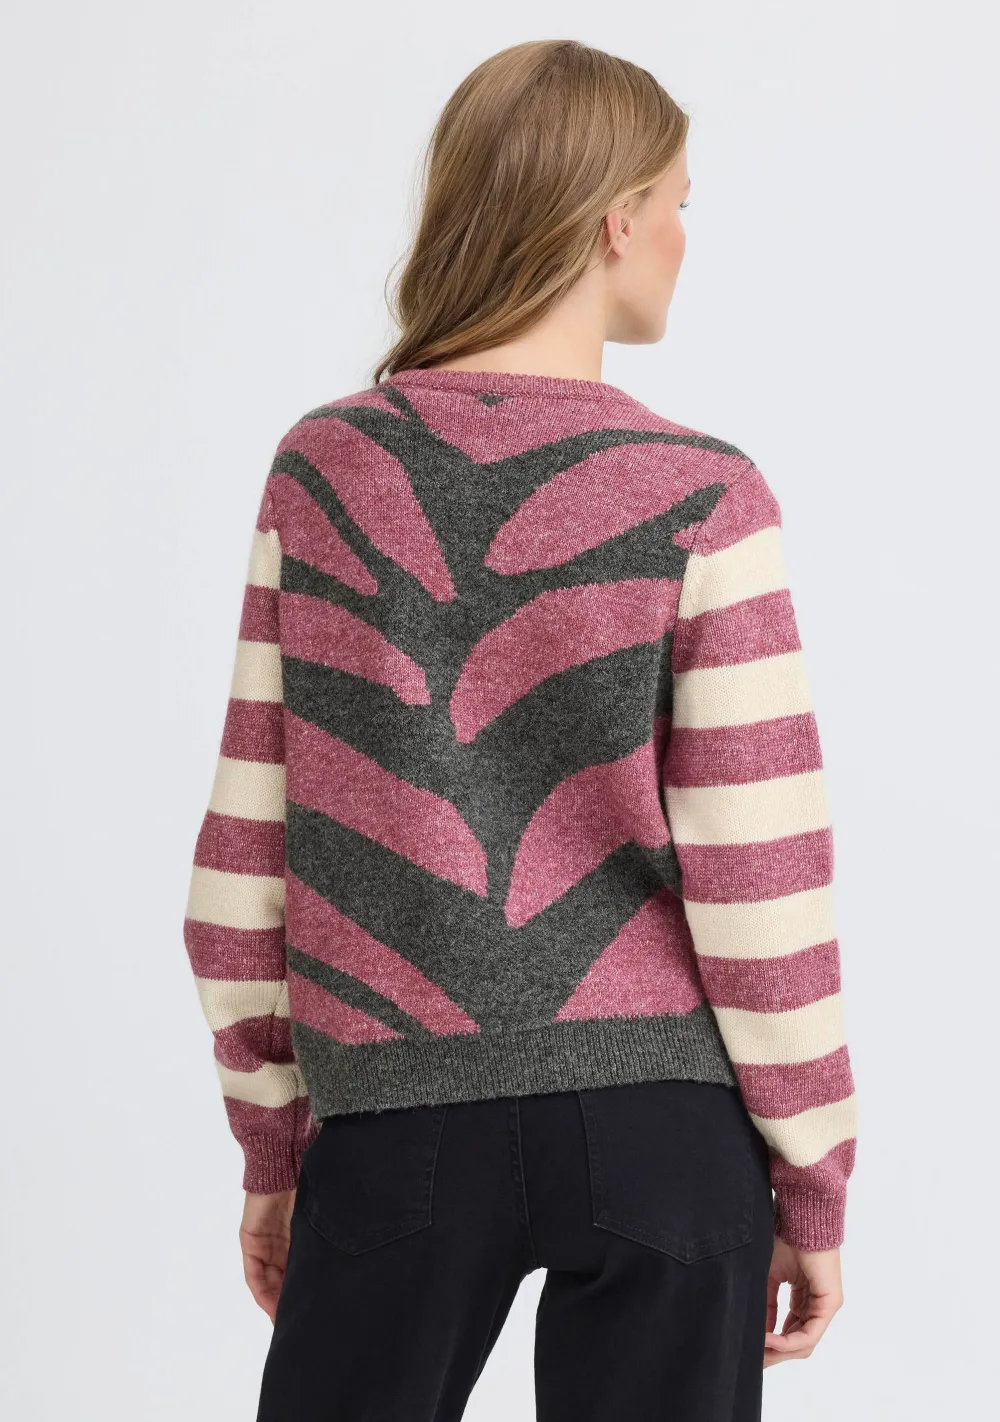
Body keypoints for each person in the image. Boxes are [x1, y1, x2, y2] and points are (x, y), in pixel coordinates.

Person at [182, 38, 857, 1422]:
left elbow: (246, 862)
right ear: (614, 219)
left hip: (396, 1117)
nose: (684, 235)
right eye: (678, 200)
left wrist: (276, 1141)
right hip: (666, 1123)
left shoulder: (327, 470)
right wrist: (811, 1175)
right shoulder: (704, 495)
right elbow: (760, 877)